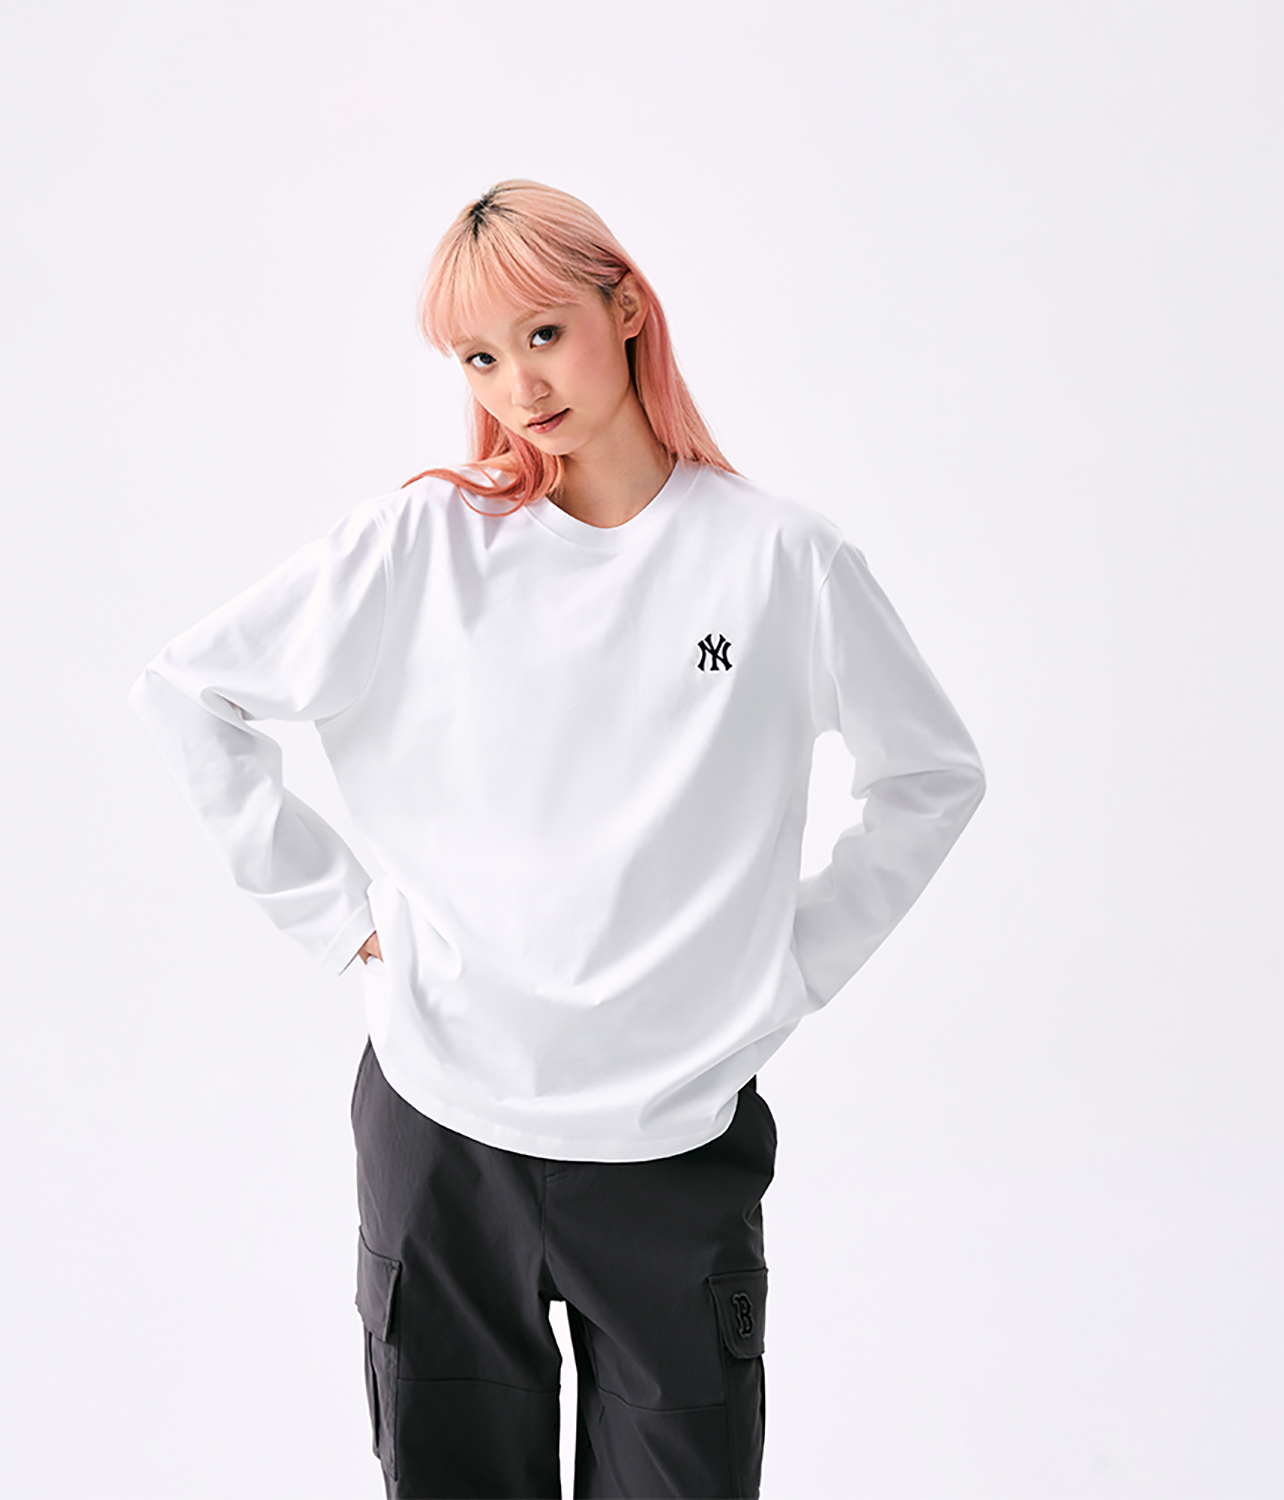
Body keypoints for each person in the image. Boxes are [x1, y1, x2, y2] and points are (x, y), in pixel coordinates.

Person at [127, 180, 986, 1499]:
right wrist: (338, 917)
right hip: (443, 1129)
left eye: (543, 334)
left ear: (624, 309)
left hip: (673, 1145)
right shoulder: (427, 543)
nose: (519, 387)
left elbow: (929, 777)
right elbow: (194, 691)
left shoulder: (779, 562)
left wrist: (791, 968)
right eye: (479, 357)